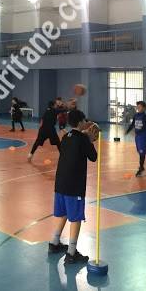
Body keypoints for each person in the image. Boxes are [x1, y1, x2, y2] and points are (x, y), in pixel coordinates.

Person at [49, 109, 98, 264]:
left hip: (60, 183)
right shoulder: (83, 139)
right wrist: (90, 140)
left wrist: (85, 137)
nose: (85, 123)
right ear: (80, 122)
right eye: (84, 120)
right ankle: (71, 252)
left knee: (64, 213)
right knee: (76, 218)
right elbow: (94, 157)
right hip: (74, 185)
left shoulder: (66, 137)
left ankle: (54, 243)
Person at [126, 101, 146, 177]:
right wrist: (127, 131)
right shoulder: (136, 115)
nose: (138, 108)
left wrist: (137, 132)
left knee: (141, 152)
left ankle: (141, 168)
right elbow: (133, 124)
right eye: (137, 107)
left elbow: (145, 127)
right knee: (140, 151)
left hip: (143, 136)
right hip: (137, 136)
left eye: (139, 107)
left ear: (144, 108)